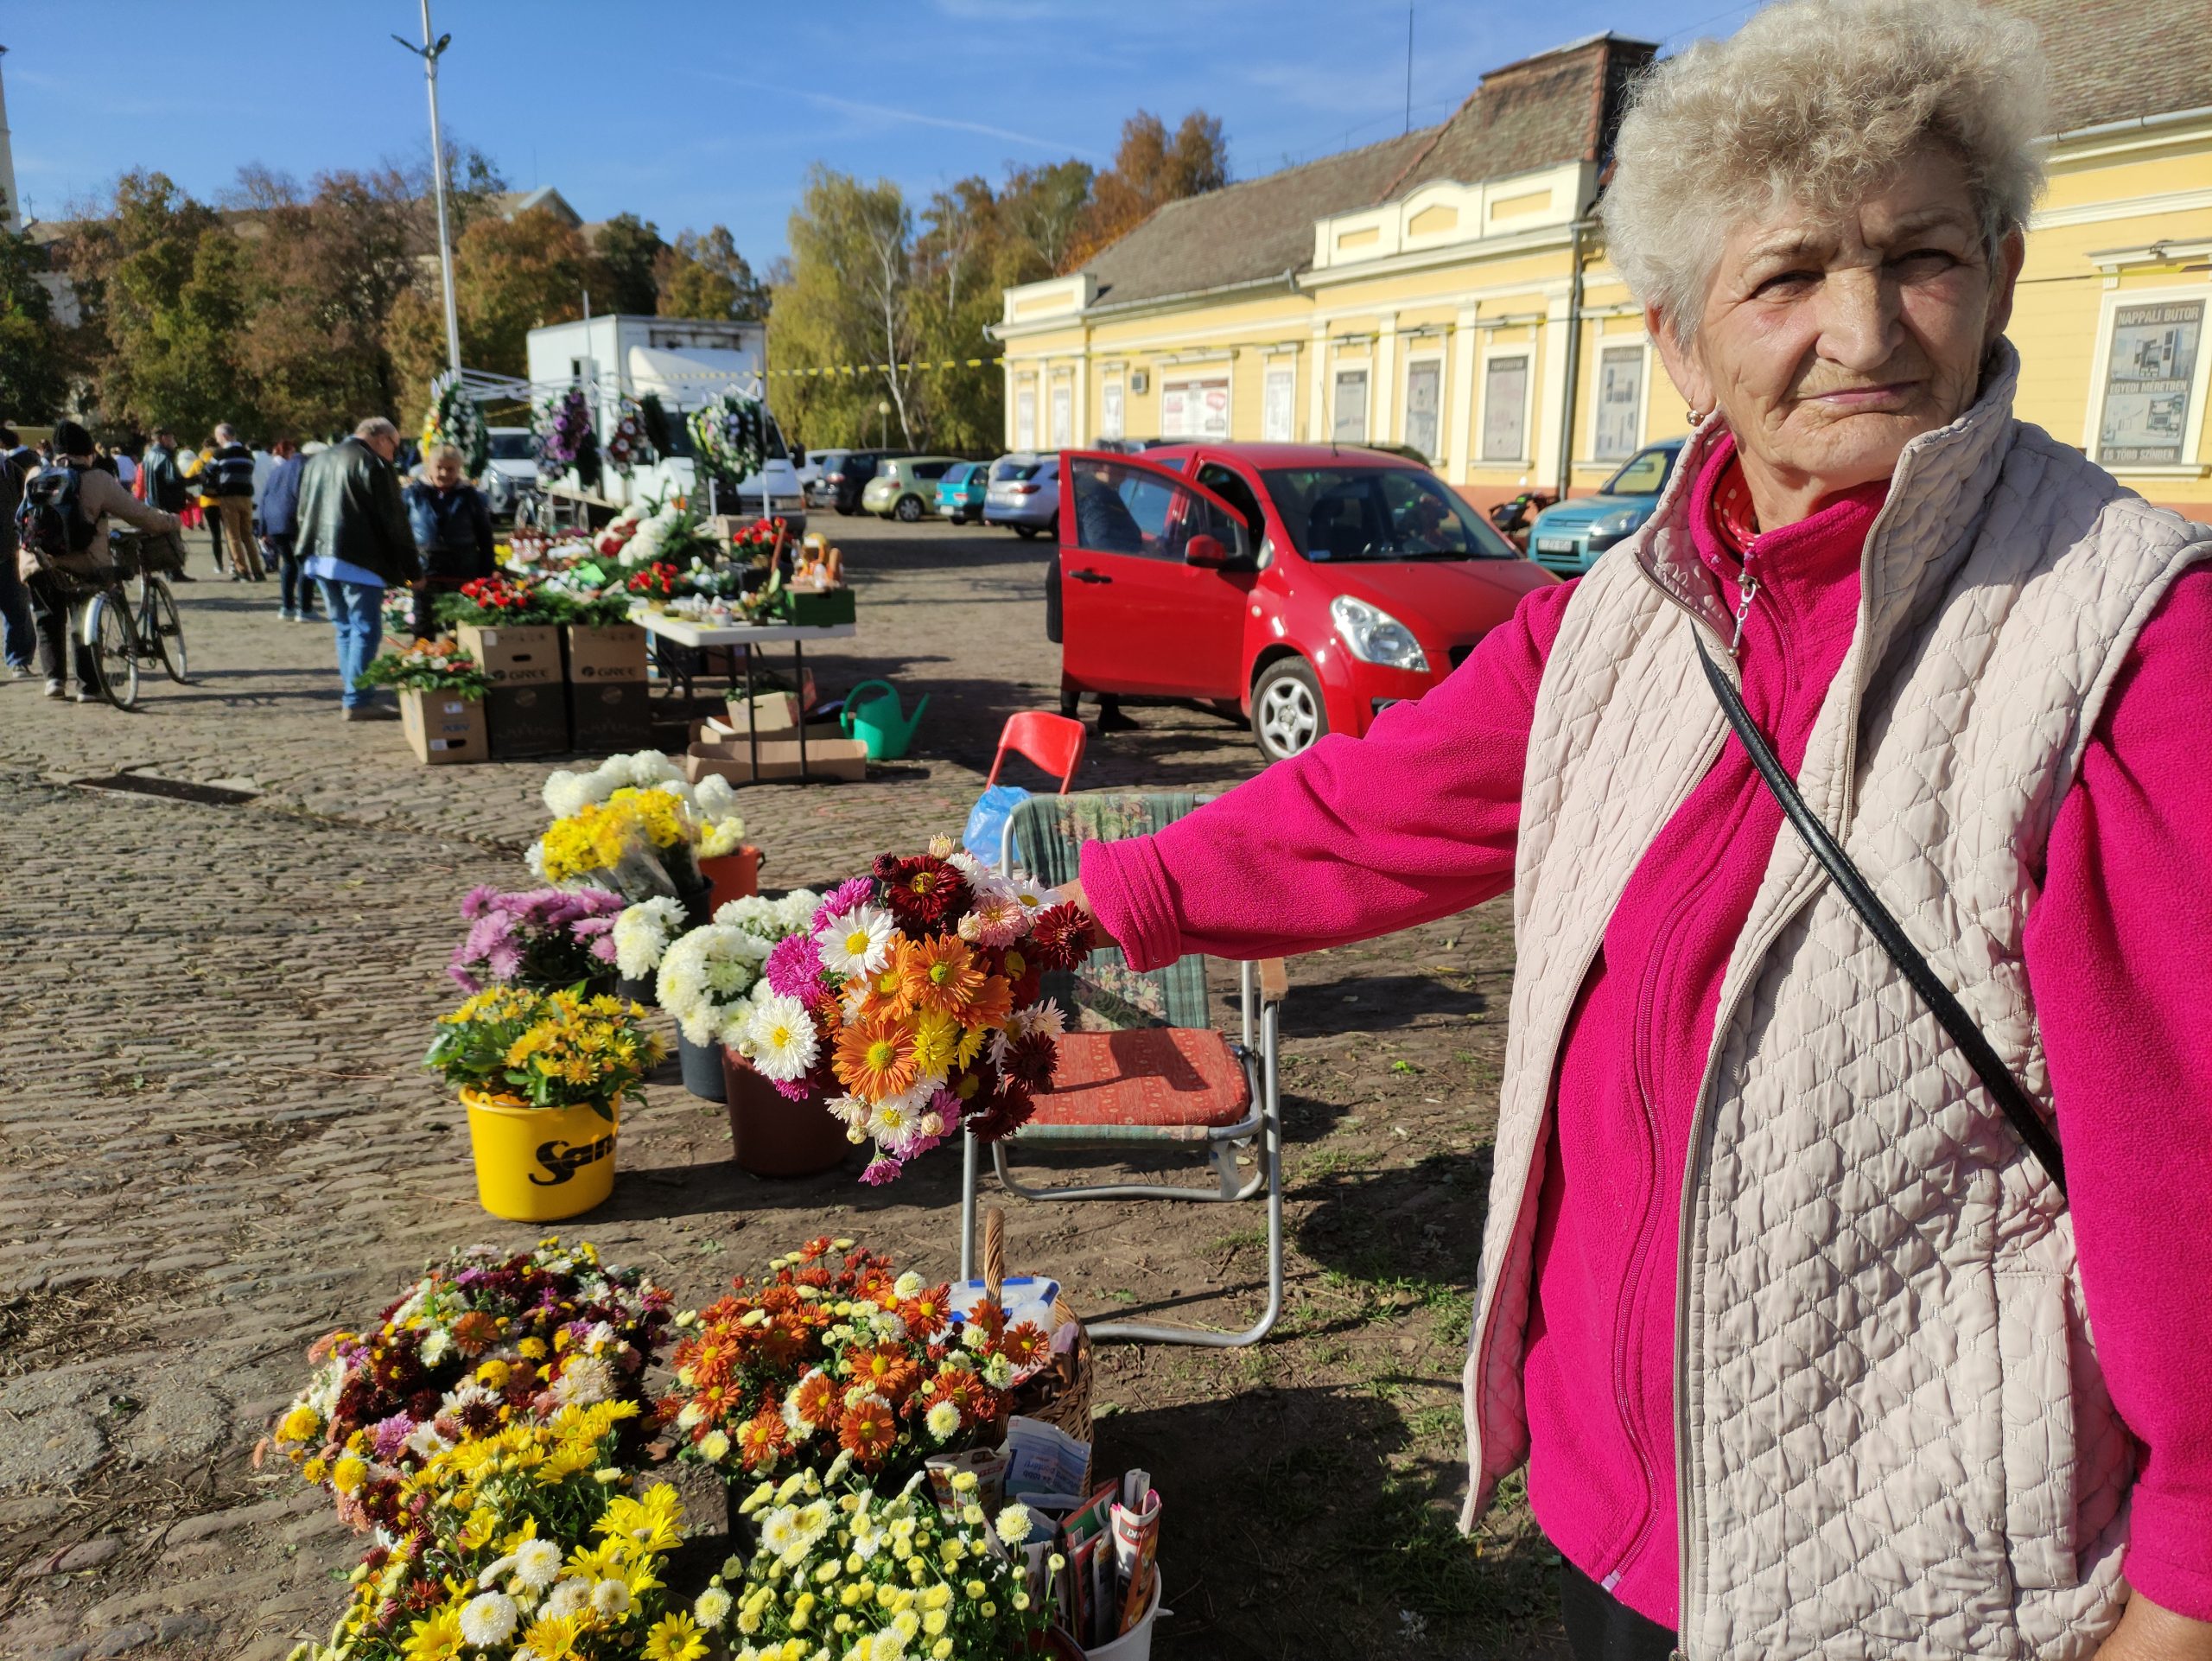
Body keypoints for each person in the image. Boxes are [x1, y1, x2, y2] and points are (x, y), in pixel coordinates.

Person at [1065, 3, 2212, 1657]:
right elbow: (1365, 811)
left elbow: (2190, 1178)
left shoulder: (2127, 646)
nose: (1868, 327)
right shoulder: (1625, 614)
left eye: (1923, 256)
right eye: (1789, 275)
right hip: (1629, 1528)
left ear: (2008, 270)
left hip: (1939, 1583)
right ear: (1677, 340)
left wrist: (2181, 1602)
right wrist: (1090, 905)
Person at [15, 421, 181, 701]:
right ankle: (88, 687)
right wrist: (170, 521)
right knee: (83, 621)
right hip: (84, 562)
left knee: (46, 619)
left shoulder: (35, 474)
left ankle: (54, 680)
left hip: (38, 560)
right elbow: (138, 514)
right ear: (88, 451)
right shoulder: (98, 479)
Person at [295, 416, 417, 721]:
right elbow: (395, 521)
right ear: (382, 439)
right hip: (360, 558)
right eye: (395, 447)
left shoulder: (318, 460)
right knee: (364, 629)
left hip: (320, 555)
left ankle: (354, 694)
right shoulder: (373, 464)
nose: (394, 455)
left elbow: (302, 509)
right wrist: (413, 570)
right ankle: (357, 698)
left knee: (345, 628)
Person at [401, 442, 493, 640]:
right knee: (423, 625)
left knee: (459, 627)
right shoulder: (412, 495)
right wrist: (405, 568)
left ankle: (459, 666)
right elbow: (401, 534)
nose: (444, 473)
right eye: (439, 467)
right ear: (429, 466)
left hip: (462, 571)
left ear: (459, 469)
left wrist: (487, 572)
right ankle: (426, 664)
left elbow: (485, 536)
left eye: (451, 469)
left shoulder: (471, 497)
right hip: (425, 571)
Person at [257, 437, 314, 621]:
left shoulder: (278, 469)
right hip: (294, 520)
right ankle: (305, 609)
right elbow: (305, 497)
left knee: (288, 563)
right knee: (305, 563)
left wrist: (263, 530)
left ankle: (287, 607)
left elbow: (265, 498)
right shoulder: (308, 469)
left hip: (274, 522)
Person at [202, 423, 264, 581]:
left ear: (224, 436)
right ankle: (258, 571)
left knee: (233, 536)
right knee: (247, 536)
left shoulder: (220, 454)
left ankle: (242, 571)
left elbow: (207, 472)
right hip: (247, 497)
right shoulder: (248, 454)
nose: (217, 440)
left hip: (228, 497)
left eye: (217, 437)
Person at [0, 427, 36, 675]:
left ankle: (19, 658)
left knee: (17, 608)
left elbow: (25, 507)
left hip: (8, 549)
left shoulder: (10, 469)